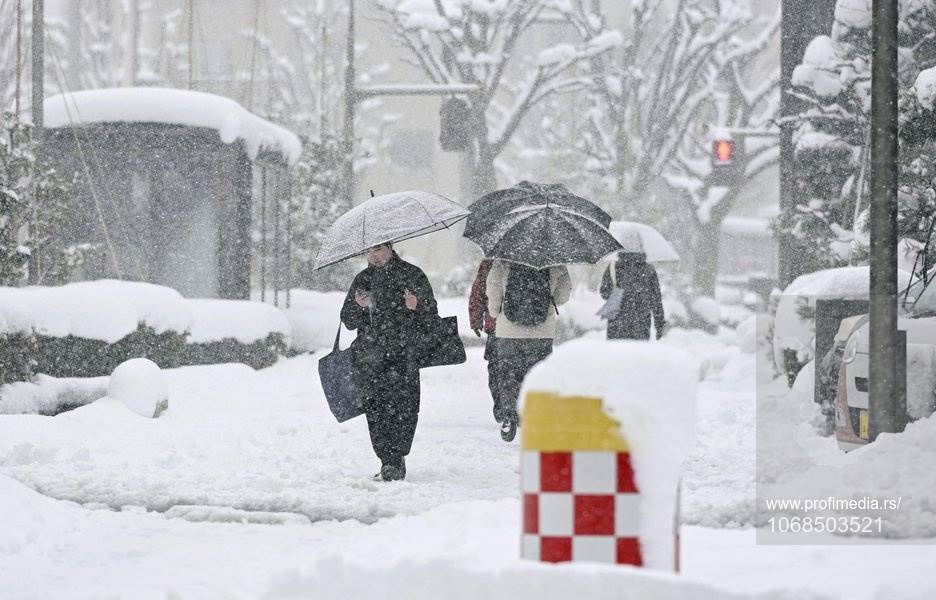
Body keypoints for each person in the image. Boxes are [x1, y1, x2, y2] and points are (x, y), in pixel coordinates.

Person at [340, 243, 438, 481]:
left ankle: (398, 455)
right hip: (370, 357)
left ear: (391, 249)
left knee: (405, 406)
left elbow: (432, 314)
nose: (374, 255)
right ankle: (388, 459)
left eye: (380, 249)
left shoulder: (411, 274)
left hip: (404, 354)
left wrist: (417, 306)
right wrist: (359, 306)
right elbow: (348, 320)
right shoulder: (363, 279)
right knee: (376, 408)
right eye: (370, 250)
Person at [487, 260, 572, 441]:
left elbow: (493, 293)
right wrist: (545, 303)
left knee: (508, 375)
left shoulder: (502, 260)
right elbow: (563, 295)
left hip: (508, 331)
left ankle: (509, 416)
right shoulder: (555, 261)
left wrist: (496, 313)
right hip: (542, 331)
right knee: (538, 375)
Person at [599, 252, 665, 340]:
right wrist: (659, 325)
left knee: (617, 351)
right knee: (638, 352)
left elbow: (604, 292)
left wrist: (617, 294)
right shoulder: (649, 269)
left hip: (617, 323)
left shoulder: (613, 267)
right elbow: (656, 300)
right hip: (641, 323)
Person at [468, 260, 499, 424]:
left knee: (497, 369)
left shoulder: (490, 261)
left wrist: (476, 320)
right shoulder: (536, 257)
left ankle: (503, 407)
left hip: (497, 326)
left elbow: (478, 292)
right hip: (533, 328)